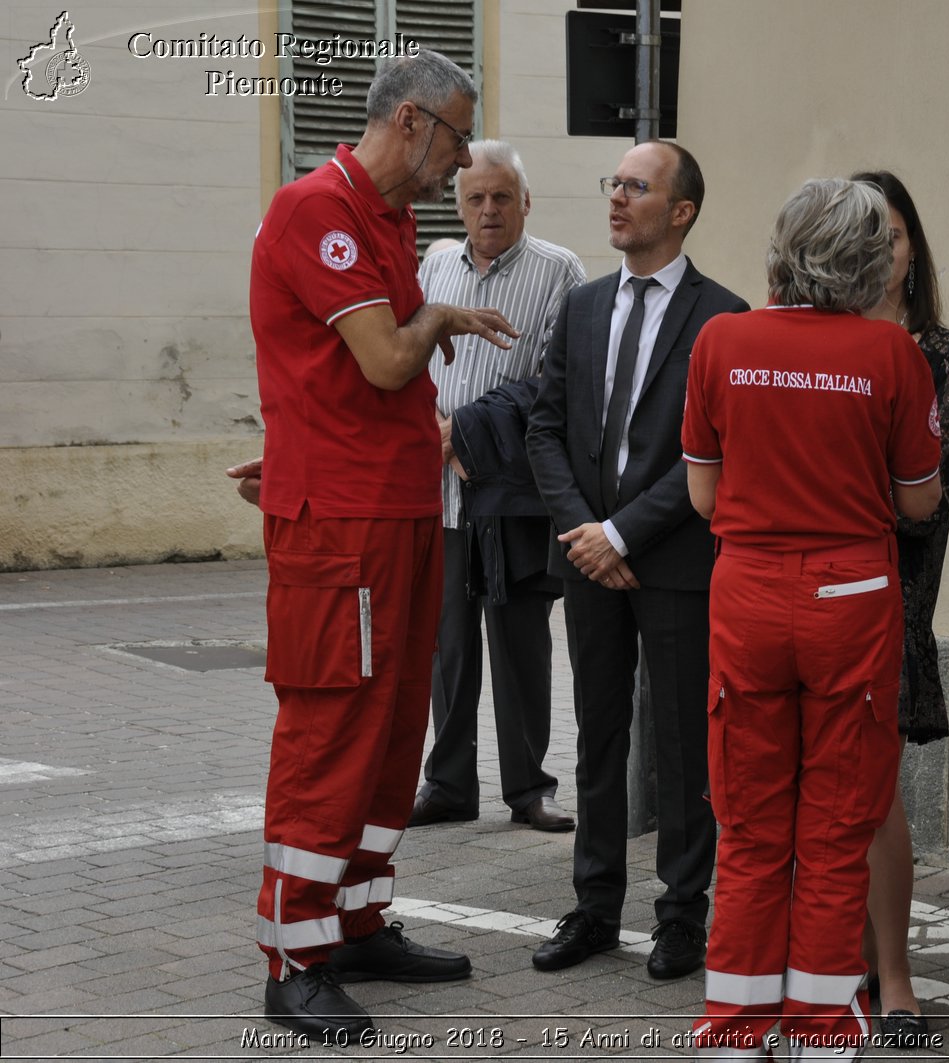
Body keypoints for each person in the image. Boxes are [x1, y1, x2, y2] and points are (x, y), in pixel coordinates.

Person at [241, 50, 522, 1039]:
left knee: (396, 725)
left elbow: (333, 375)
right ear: (410, 121)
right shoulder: (316, 210)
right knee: (333, 729)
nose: (458, 165)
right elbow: (387, 356)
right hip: (345, 527)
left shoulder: (389, 219)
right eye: (454, 139)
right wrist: (438, 312)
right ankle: (294, 954)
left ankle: (354, 922)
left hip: (394, 510)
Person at [683, 177, 943, 1060]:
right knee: (836, 829)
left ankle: (734, 1028)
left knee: (750, 825)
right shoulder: (892, 354)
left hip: (748, 592)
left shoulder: (721, 340)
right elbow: (918, 501)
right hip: (850, 599)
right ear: (871, 259)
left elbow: (703, 491)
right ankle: (826, 1027)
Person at [524, 140, 748, 982]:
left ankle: (682, 916)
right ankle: (594, 906)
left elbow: (714, 452)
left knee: (684, 743)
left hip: (676, 561)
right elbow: (547, 427)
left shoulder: (723, 318)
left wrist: (622, 534)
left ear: (680, 211)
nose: (617, 199)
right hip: (589, 561)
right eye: (613, 184)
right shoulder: (582, 306)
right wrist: (586, 530)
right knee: (599, 736)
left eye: (637, 188)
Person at [408, 140, 585, 834]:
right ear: (459, 204)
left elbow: (552, 383)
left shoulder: (557, 270)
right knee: (446, 644)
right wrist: (428, 424)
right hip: (440, 495)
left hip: (512, 489)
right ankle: (447, 781)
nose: (488, 210)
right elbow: (414, 354)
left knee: (519, 644)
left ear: (525, 202)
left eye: (501, 197)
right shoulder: (436, 263)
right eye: (476, 198)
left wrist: (466, 433)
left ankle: (529, 788)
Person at [850, 169, 949, 1050]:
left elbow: (925, 495)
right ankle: (825, 965)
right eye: (860, 233)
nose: (880, 251)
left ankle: (894, 975)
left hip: (891, 588)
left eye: (892, 233)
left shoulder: (938, 352)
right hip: (806, 589)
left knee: (875, 791)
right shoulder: (802, 341)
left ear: (913, 246)